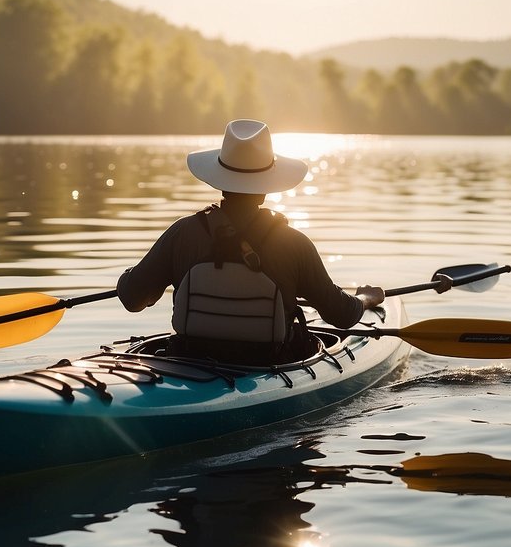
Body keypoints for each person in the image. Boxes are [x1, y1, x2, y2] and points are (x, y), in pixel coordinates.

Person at [117, 119, 385, 364]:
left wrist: (138, 276)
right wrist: (366, 298)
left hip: (191, 361)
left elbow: (132, 298)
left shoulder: (182, 234)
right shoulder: (293, 243)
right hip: (267, 363)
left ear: (219, 181)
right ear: (266, 188)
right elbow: (343, 315)